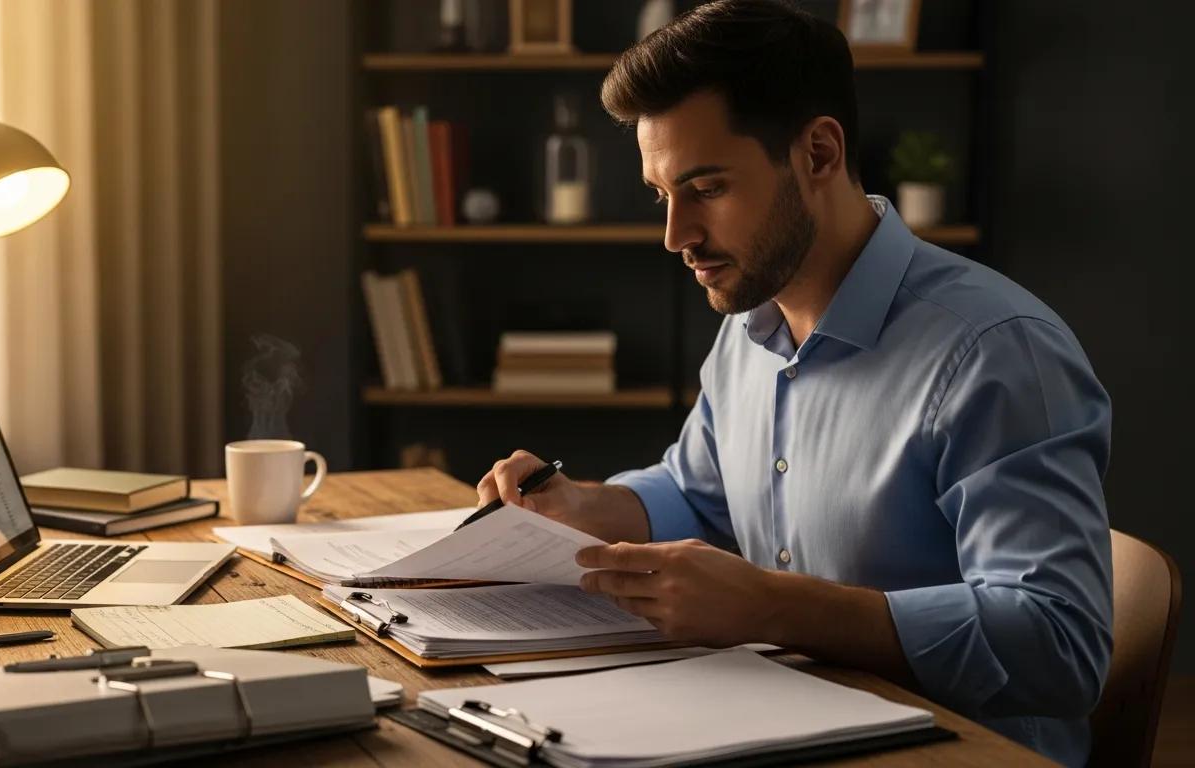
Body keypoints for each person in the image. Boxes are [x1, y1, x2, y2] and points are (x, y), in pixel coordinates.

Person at [476, 2, 1112, 765]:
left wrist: (775, 607)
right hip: (770, 728)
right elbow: (701, 495)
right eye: (661, 194)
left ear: (818, 153)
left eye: (706, 188)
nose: (675, 235)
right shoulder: (748, 326)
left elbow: (1061, 643)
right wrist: (586, 505)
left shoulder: (997, 353)